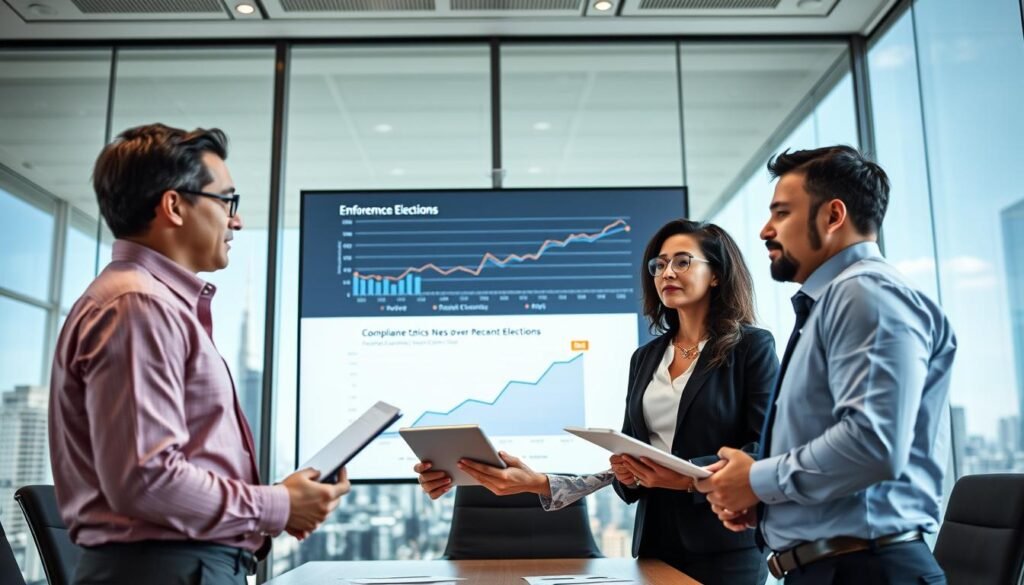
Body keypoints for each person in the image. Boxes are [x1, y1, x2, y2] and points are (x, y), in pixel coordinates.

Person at [49, 124, 349, 585]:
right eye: (227, 201)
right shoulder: (138, 305)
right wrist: (278, 503)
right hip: (162, 571)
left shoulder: (146, 303)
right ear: (173, 206)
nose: (237, 221)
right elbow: (145, 480)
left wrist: (279, 505)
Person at [415, 219, 778, 585]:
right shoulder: (647, 357)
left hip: (725, 545)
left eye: (682, 262)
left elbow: (765, 448)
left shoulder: (751, 348)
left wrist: (687, 479)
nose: (667, 272)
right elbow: (632, 450)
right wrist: (621, 472)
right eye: (659, 264)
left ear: (716, 274)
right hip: (656, 544)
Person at [696, 146, 957, 584]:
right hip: (837, 567)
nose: (765, 230)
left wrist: (758, 480)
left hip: (864, 570)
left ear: (833, 216)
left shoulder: (866, 294)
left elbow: (873, 443)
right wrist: (766, 500)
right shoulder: (832, 303)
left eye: (781, 213)